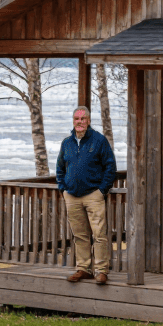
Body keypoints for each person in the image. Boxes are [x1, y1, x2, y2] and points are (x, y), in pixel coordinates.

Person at [56, 106, 118, 284]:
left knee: (99, 234)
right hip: (72, 196)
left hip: (93, 195)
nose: (79, 122)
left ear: (89, 121)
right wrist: (63, 188)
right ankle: (83, 269)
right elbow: (60, 168)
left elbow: (110, 167)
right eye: (76, 119)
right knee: (80, 235)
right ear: (73, 121)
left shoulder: (98, 140)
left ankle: (101, 271)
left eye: (83, 119)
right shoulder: (67, 143)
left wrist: (101, 190)